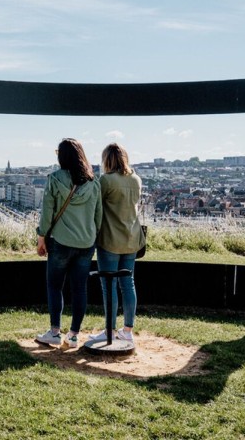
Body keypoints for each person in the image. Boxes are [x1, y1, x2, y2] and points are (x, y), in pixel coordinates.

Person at [35, 138, 102, 349]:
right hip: (86, 243)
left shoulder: (55, 179)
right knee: (79, 288)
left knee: (55, 286)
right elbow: (98, 216)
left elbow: (47, 213)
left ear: (61, 157)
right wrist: (93, 237)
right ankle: (73, 336)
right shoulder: (94, 182)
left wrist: (41, 237)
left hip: (61, 242)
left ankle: (55, 332)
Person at [90, 143, 143, 343]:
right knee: (128, 283)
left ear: (107, 160)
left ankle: (110, 330)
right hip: (131, 238)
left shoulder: (106, 181)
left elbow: (97, 207)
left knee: (109, 285)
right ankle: (128, 330)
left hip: (110, 238)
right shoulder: (136, 179)